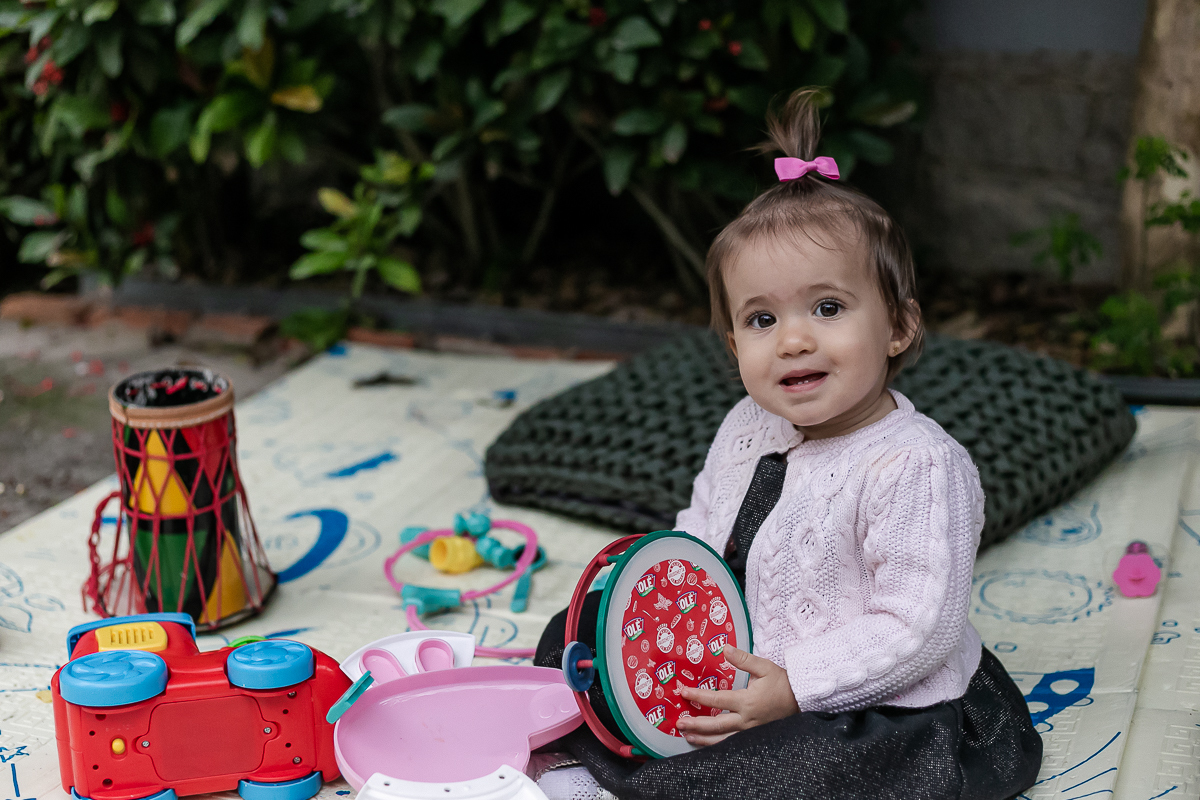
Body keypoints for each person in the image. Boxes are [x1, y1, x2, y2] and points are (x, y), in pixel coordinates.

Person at [534, 87, 1042, 800]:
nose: (794, 338)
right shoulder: (748, 422)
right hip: (740, 656)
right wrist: (656, 610)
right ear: (733, 341)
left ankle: (650, 782)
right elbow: (701, 532)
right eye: (762, 319)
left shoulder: (917, 464)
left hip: (867, 696)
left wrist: (796, 686)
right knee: (576, 632)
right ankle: (593, 762)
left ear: (897, 326)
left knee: (806, 765)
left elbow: (916, 628)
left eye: (828, 308)